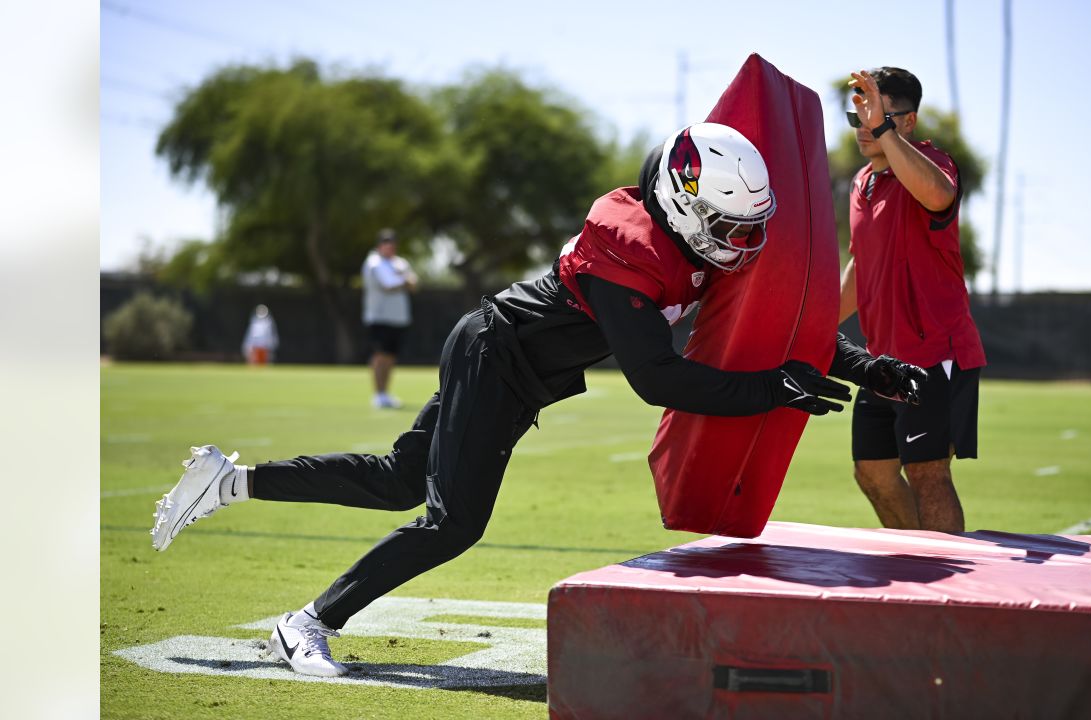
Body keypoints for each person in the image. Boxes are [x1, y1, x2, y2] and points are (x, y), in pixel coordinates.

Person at [149, 123, 926, 677]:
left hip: (513, 364)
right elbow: (659, 379)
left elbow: (765, 328)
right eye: (726, 224)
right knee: (453, 523)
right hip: (495, 353)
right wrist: (769, 390)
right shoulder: (627, 248)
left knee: (394, 479)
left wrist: (869, 367)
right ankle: (308, 623)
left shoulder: (688, 243)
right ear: (684, 201)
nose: (740, 242)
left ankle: (230, 480)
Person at [841, 67, 986, 533]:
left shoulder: (932, 162)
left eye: (877, 115)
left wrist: (883, 127)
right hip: (882, 359)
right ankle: (916, 571)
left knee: (927, 472)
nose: (865, 126)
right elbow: (860, 266)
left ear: (907, 121)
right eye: (858, 115)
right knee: (874, 472)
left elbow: (939, 195)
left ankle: (950, 597)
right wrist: (815, 322)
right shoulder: (861, 183)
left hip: (935, 355)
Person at [362, 229, 418, 409]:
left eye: (392, 243)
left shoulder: (400, 262)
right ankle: (378, 394)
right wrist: (404, 279)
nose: (390, 246)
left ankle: (385, 393)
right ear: (380, 245)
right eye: (386, 243)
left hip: (398, 318)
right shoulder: (374, 263)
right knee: (380, 355)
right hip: (379, 317)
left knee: (391, 356)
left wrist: (403, 279)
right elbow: (388, 285)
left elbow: (414, 284)